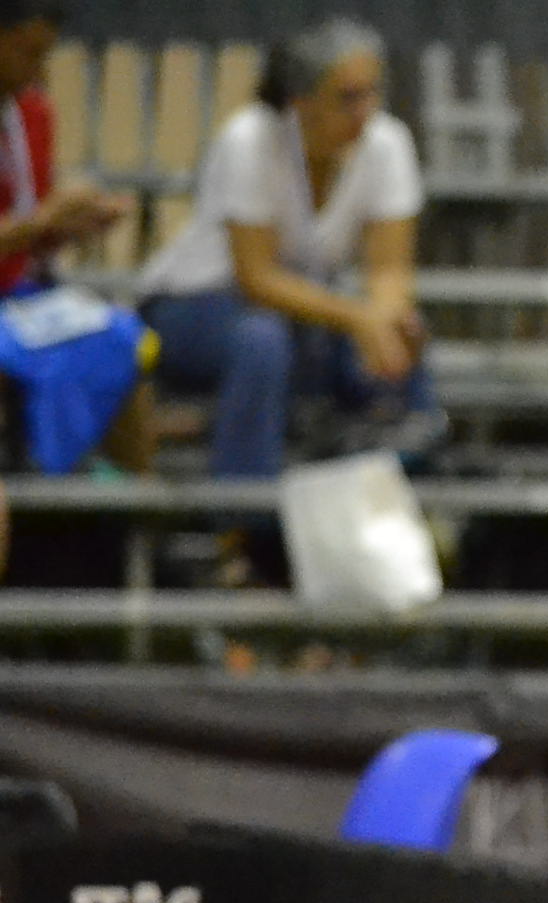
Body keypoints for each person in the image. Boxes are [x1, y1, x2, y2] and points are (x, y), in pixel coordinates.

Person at [137, 17, 438, 481]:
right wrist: (360, 318)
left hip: (303, 311)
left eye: (372, 93)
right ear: (301, 100)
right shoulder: (249, 138)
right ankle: (245, 510)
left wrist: (385, 323)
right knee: (262, 341)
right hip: (193, 306)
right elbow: (256, 279)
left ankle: (408, 491)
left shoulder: (388, 142)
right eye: (348, 97)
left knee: (403, 332)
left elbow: (389, 273)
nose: (366, 110)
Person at [0, 0, 155, 581]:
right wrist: (42, 221)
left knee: (128, 340)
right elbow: (28, 222)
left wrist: (71, 224)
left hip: (22, 293)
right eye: (27, 52)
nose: (39, 68)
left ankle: (137, 536)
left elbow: (28, 232)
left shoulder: (32, 112)